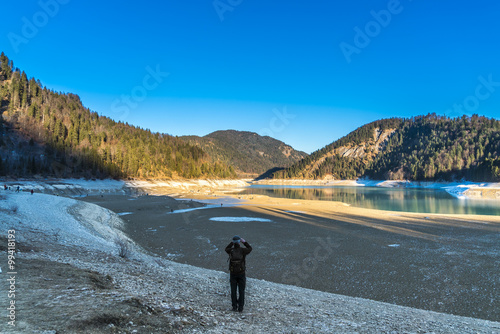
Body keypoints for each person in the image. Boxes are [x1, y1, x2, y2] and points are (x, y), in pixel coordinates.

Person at [225, 235, 252, 312]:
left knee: (233, 290)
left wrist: (232, 243)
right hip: (241, 273)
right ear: (239, 243)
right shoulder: (243, 250)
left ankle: (234, 307)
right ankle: (240, 308)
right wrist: (244, 242)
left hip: (233, 273)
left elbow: (226, 249)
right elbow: (250, 248)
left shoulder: (231, 250)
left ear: (234, 243)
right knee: (241, 291)